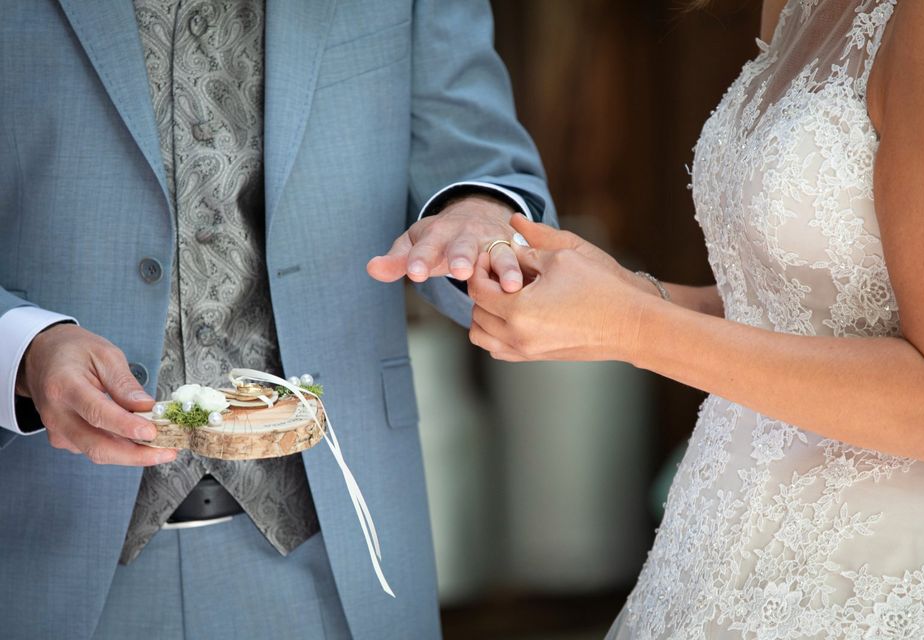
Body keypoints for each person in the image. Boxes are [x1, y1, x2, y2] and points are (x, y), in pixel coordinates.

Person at [0, 2, 554, 639]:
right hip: (37, 545)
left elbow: (475, 152)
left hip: (337, 545)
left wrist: (477, 218)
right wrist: (23, 347)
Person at [468, 0, 924, 638]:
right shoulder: (789, 7)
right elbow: (818, 306)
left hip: (872, 577)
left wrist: (637, 330)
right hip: (714, 547)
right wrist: (633, 299)